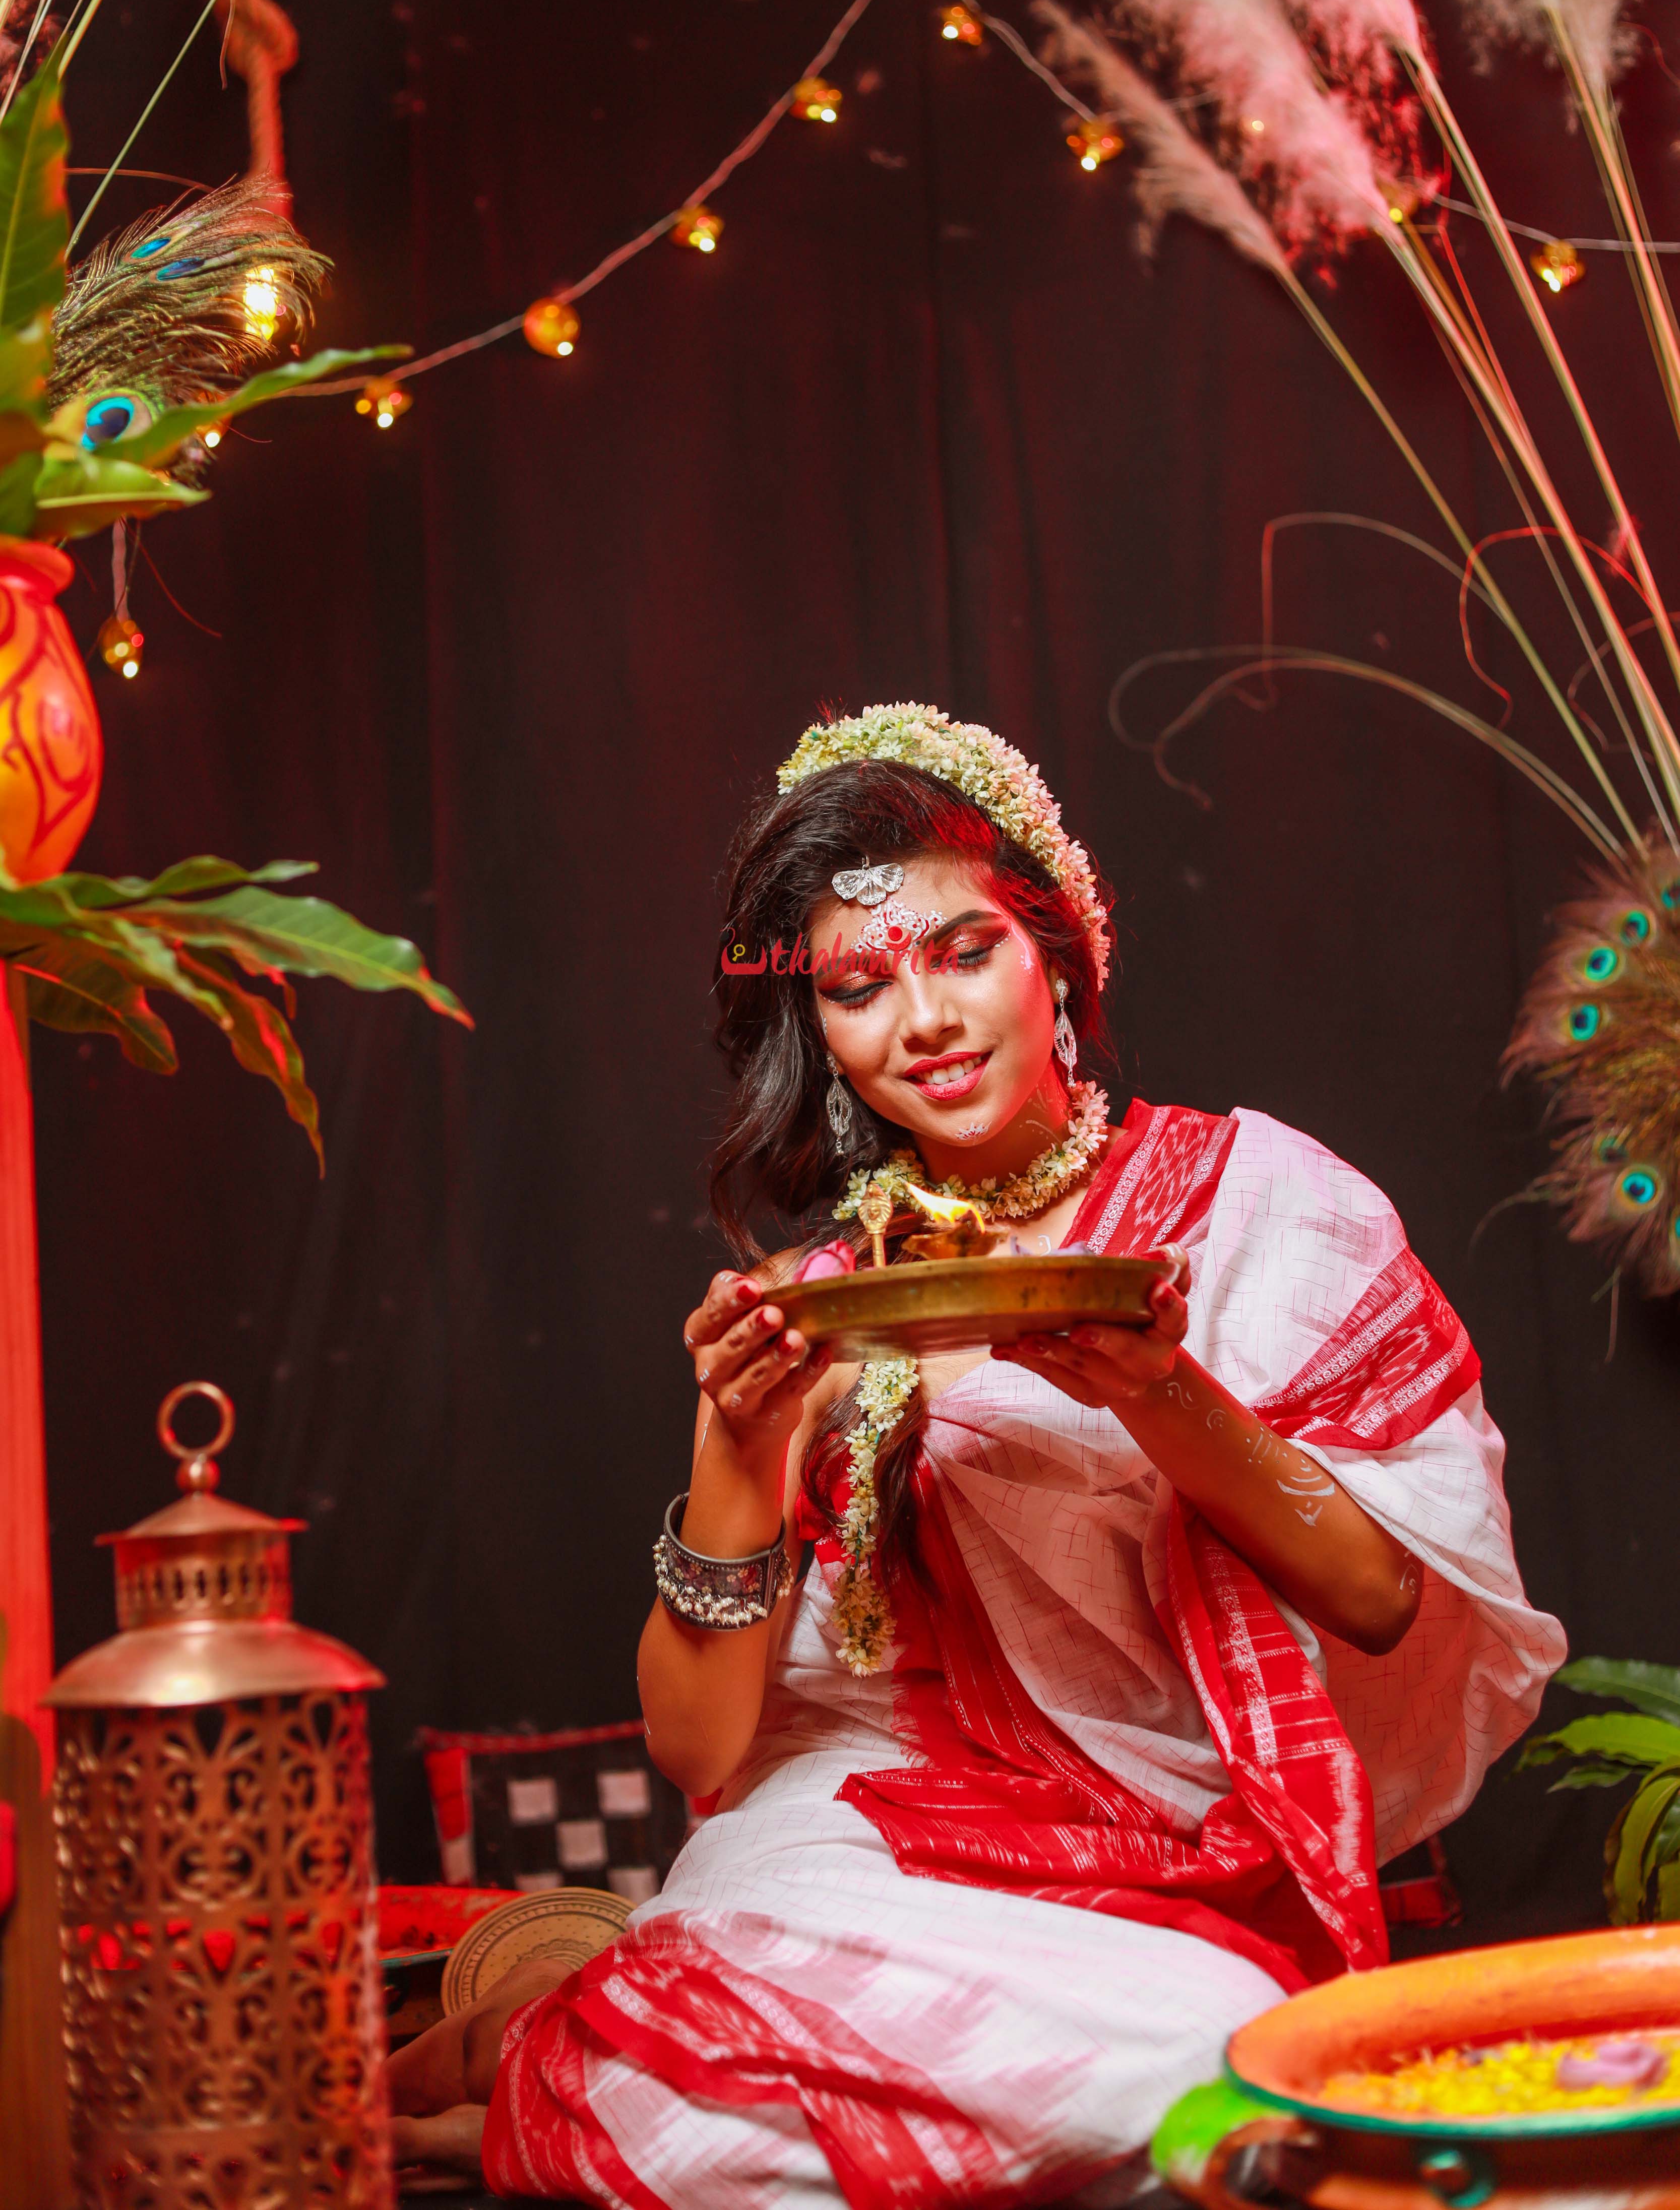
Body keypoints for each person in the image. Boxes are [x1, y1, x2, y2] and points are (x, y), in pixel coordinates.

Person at [389, 702, 1564, 2207]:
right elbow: (700, 1752)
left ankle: (563, 2040)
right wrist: (738, 1444)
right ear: (819, 1030)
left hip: (1165, 1841)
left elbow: (1384, 1600)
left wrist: (1157, 1389)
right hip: (855, 1820)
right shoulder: (818, 1304)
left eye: (962, 953)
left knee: (1205, 2061)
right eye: (860, 985)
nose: (924, 1022)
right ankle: (602, 2037)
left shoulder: (1252, 1205)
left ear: (1055, 952)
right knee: (742, 2105)